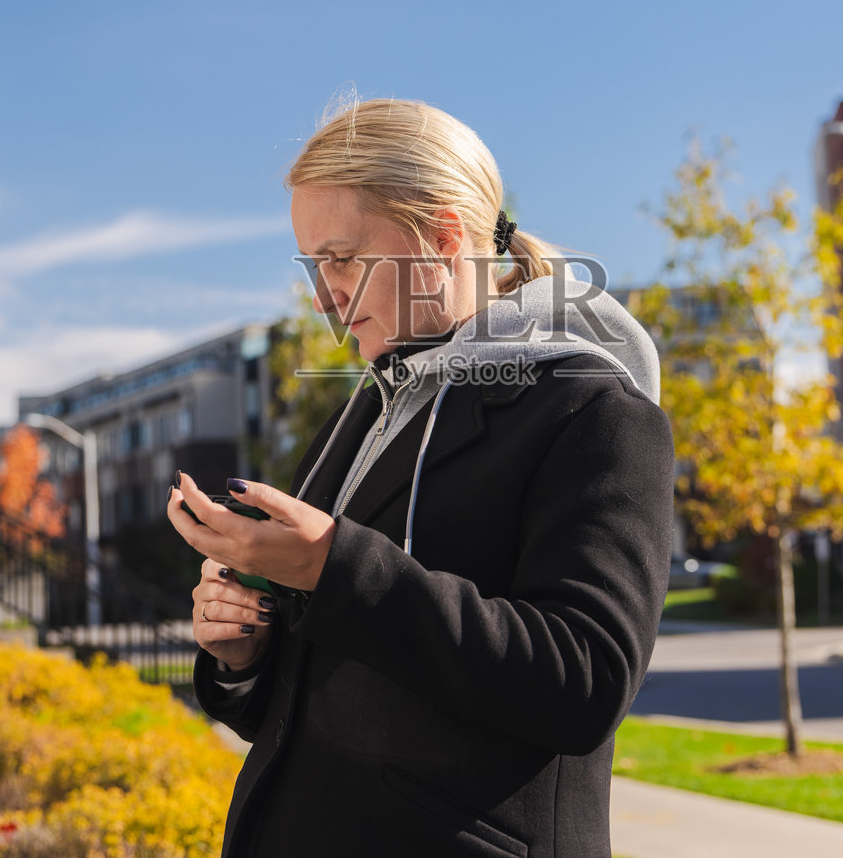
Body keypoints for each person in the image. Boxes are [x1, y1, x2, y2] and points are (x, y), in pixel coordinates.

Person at [166, 98, 675, 857]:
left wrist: (331, 564)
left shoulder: (593, 413)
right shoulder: (362, 419)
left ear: (441, 240)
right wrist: (245, 649)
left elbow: (584, 679)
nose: (323, 297)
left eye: (340, 258)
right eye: (313, 265)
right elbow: (319, 703)